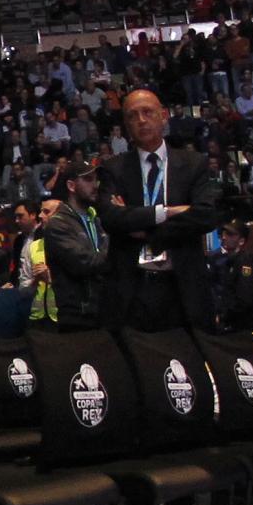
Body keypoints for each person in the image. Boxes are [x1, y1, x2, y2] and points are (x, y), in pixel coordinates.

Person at [98, 89, 223, 335]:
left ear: (163, 116)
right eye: (133, 116)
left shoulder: (193, 163)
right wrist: (166, 212)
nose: (141, 120)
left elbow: (205, 215)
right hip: (132, 288)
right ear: (126, 125)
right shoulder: (114, 168)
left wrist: (147, 232)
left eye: (147, 112)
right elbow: (111, 218)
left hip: (182, 285)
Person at [43, 160, 111, 333]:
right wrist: (119, 244)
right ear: (71, 186)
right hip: (77, 315)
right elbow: (84, 263)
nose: (95, 185)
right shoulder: (58, 224)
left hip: (103, 310)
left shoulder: (96, 220)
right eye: (88, 179)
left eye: (96, 179)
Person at [209, 223, 253, 333]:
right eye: (224, 234)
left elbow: (244, 300)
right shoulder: (230, 261)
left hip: (240, 325)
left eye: (230, 234)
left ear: (241, 241)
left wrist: (224, 316)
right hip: (228, 321)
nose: (224, 237)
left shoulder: (244, 263)